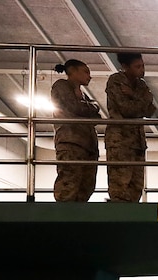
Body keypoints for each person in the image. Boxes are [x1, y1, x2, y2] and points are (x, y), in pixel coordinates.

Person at [105, 52, 156, 202]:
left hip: (137, 141)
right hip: (120, 140)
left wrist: (133, 95)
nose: (142, 69)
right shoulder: (116, 81)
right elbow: (126, 108)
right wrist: (141, 101)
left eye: (142, 65)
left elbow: (150, 110)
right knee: (120, 186)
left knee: (136, 186)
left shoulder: (141, 85)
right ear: (125, 67)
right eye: (137, 66)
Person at [51, 59, 101, 201]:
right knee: (69, 184)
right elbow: (74, 107)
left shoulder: (83, 96)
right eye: (85, 72)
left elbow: (97, 115)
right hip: (71, 142)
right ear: (72, 71)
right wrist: (89, 109)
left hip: (88, 145)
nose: (89, 76)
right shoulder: (61, 86)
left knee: (86, 186)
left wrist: (89, 108)